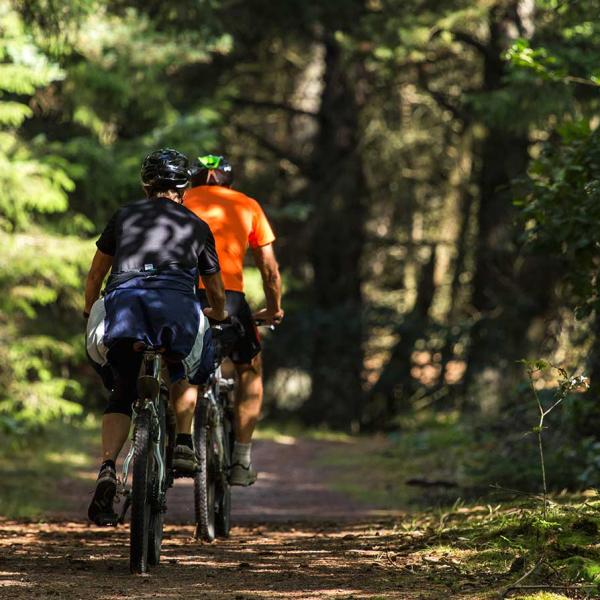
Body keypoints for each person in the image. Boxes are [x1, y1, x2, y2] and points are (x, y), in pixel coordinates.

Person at [84, 148, 227, 525]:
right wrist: (220, 313)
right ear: (183, 187)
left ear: (146, 185)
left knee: (124, 388)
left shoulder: (124, 216)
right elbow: (214, 287)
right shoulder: (196, 225)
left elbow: (97, 274)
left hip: (126, 306)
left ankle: (108, 467)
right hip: (177, 308)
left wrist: (88, 308)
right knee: (185, 365)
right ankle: (182, 442)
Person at [184, 154, 283, 486]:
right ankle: (241, 458)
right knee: (249, 368)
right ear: (229, 180)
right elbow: (269, 269)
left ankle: (175, 440)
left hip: (179, 296)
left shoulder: (180, 200)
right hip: (229, 298)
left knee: (176, 364)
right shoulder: (247, 205)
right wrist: (273, 308)